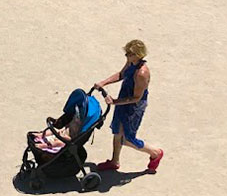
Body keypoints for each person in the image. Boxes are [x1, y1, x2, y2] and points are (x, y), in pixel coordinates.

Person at [95, 39, 163, 173]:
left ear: (138, 54)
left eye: (129, 54)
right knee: (117, 132)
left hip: (133, 107)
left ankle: (155, 153)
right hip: (124, 99)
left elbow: (136, 98)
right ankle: (115, 161)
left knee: (127, 139)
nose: (126, 56)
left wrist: (115, 102)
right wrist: (104, 83)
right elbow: (122, 74)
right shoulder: (131, 62)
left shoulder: (141, 74)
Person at [30, 88, 101, 153]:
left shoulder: (82, 127)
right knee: (54, 130)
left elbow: (71, 138)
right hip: (64, 130)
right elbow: (67, 124)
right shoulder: (76, 117)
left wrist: (63, 137)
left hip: (69, 138)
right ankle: (40, 135)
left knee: (62, 142)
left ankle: (45, 145)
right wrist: (62, 130)